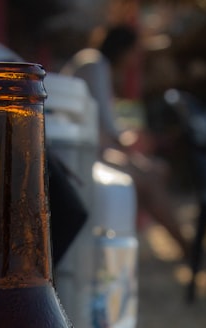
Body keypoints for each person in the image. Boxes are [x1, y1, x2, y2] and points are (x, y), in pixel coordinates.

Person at [62, 24, 192, 260]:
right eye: (135, 51)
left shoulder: (92, 63)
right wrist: (131, 140)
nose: (136, 59)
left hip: (84, 151)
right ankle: (185, 247)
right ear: (123, 49)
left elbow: (102, 124)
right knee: (152, 177)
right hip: (78, 156)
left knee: (154, 172)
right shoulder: (95, 64)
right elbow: (107, 124)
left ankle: (143, 243)